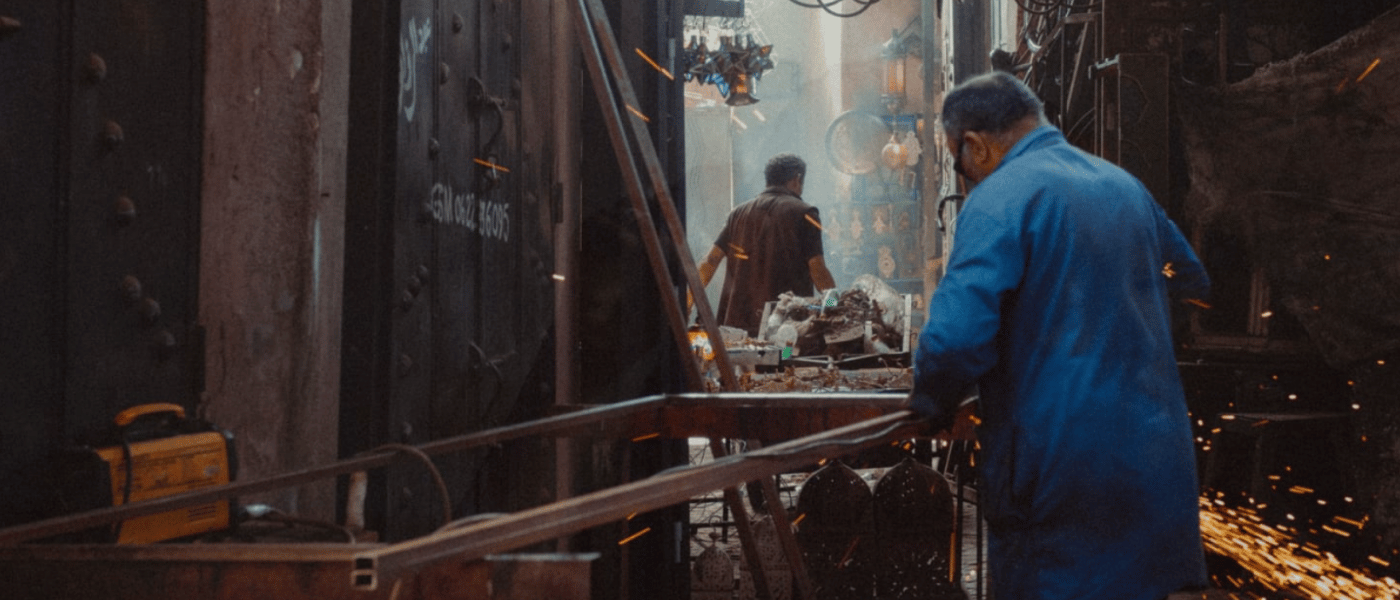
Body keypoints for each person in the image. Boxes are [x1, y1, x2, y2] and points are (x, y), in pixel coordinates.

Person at [910, 71, 1211, 600]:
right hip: (1157, 456)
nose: (966, 177)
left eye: (959, 163)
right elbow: (1193, 286)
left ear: (975, 147)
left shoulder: (1001, 197)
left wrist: (932, 402)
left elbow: (955, 341)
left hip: (1059, 464)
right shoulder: (1124, 185)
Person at [697, 153, 836, 336]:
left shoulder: (738, 214)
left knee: (745, 363)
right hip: (786, 329)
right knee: (788, 359)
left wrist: (688, 300)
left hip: (737, 328)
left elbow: (710, 261)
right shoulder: (804, 213)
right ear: (797, 179)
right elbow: (818, 271)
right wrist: (835, 305)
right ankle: (785, 360)